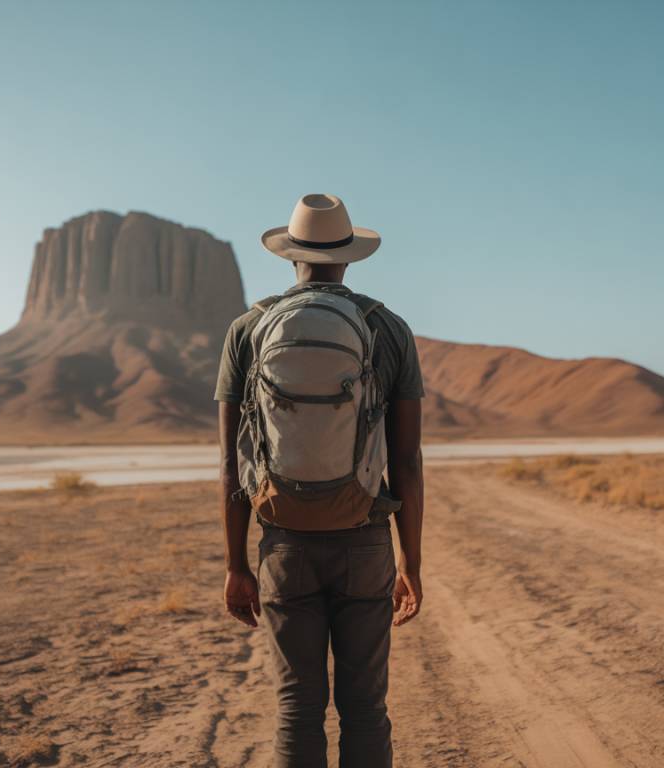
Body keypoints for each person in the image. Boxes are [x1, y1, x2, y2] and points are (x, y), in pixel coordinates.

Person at [215, 193, 425, 768]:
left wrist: (236, 565)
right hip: (364, 539)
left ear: (290, 257)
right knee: (365, 708)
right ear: (349, 259)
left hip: (284, 544)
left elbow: (231, 463)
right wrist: (412, 565)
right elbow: (406, 461)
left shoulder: (248, 328)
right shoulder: (388, 328)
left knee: (296, 708)